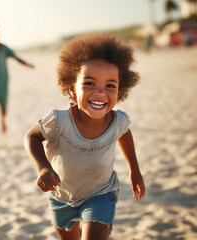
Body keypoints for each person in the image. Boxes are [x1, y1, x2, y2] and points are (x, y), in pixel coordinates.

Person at [24, 34, 145, 240]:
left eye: (110, 86)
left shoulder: (118, 121)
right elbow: (32, 137)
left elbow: (124, 134)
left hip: (101, 194)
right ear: (72, 87)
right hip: (61, 196)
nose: (100, 92)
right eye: (89, 83)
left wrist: (135, 170)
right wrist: (43, 167)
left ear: (119, 91)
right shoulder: (59, 120)